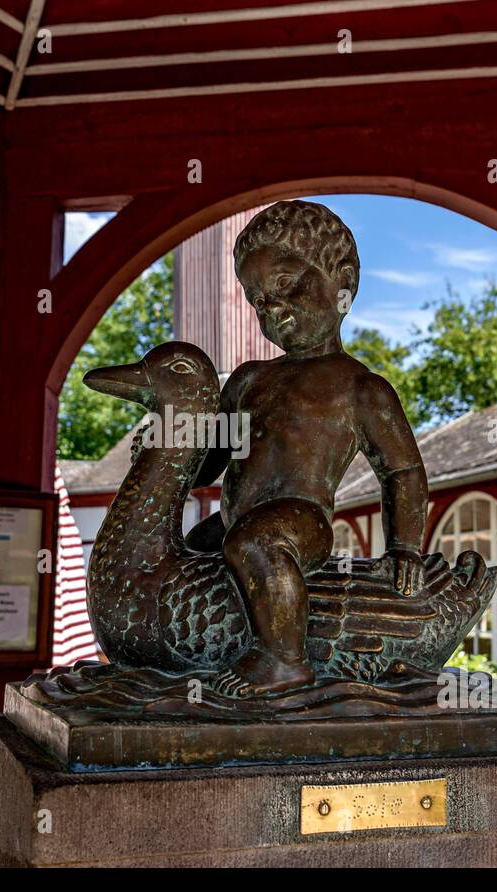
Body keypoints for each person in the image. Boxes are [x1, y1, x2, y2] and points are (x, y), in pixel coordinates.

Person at [184, 200, 430, 695]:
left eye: (283, 286)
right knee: (187, 557)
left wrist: (404, 548)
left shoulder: (361, 388)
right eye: (257, 301)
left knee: (255, 543)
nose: (272, 310)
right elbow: (210, 460)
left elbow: (402, 472)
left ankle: (284, 660)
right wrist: (168, 451)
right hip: (237, 519)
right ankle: (193, 651)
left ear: (342, 281)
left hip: (300, 521)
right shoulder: (249, 380)